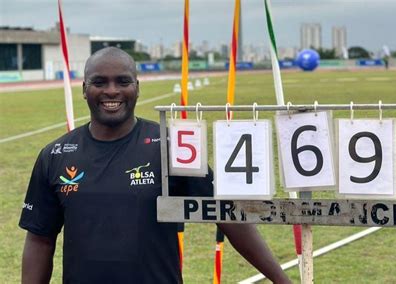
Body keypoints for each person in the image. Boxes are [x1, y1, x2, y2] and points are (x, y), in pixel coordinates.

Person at [19, 47, 290, 283]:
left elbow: (229, 215)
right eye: (99, 82)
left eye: (122, 81)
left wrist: (281, 279)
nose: (111, 91)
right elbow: (40, 239)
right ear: (84, 89)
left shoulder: (174, 146)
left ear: (137, 86)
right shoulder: (56, 155)